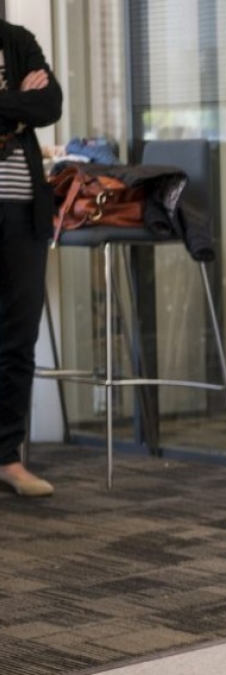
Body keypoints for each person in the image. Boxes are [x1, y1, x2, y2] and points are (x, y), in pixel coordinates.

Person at [0, 20, 64, 499]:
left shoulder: (17, 41)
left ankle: (7, 458)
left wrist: (23, 112)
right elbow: (30, 109)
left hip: (24, 213)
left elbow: (50, 105)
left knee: (19, 338)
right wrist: (17, 111)